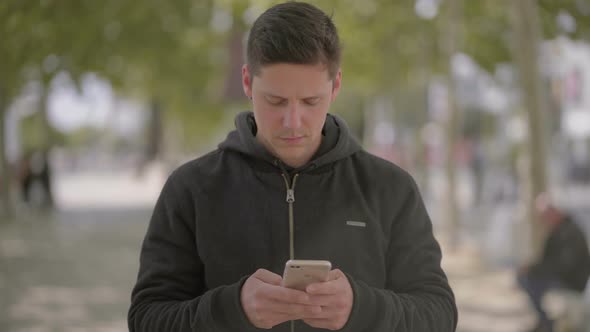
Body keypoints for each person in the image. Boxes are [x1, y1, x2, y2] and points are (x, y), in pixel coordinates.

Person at [128, 2, 457, 331]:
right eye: (276, 101)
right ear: (247, 82)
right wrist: (233, 308)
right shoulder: (191, 188)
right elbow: (147, 318)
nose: (292, 122)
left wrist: (361, 309)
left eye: (310, 101)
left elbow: (439, 314)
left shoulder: (390, 188)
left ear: (336, 85)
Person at [517, 192, 590, 332]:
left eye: (544, 215)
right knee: (525, 278)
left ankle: (546, 322)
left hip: (572, 281)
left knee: (529, 280)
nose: (543, 219)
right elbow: (549, 260)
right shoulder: (558, 229)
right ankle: (544, 321)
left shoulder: (569, 232)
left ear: (553, 212)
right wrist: (531, 268)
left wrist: (533, 269)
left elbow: (562, 265)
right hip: (564, 277)